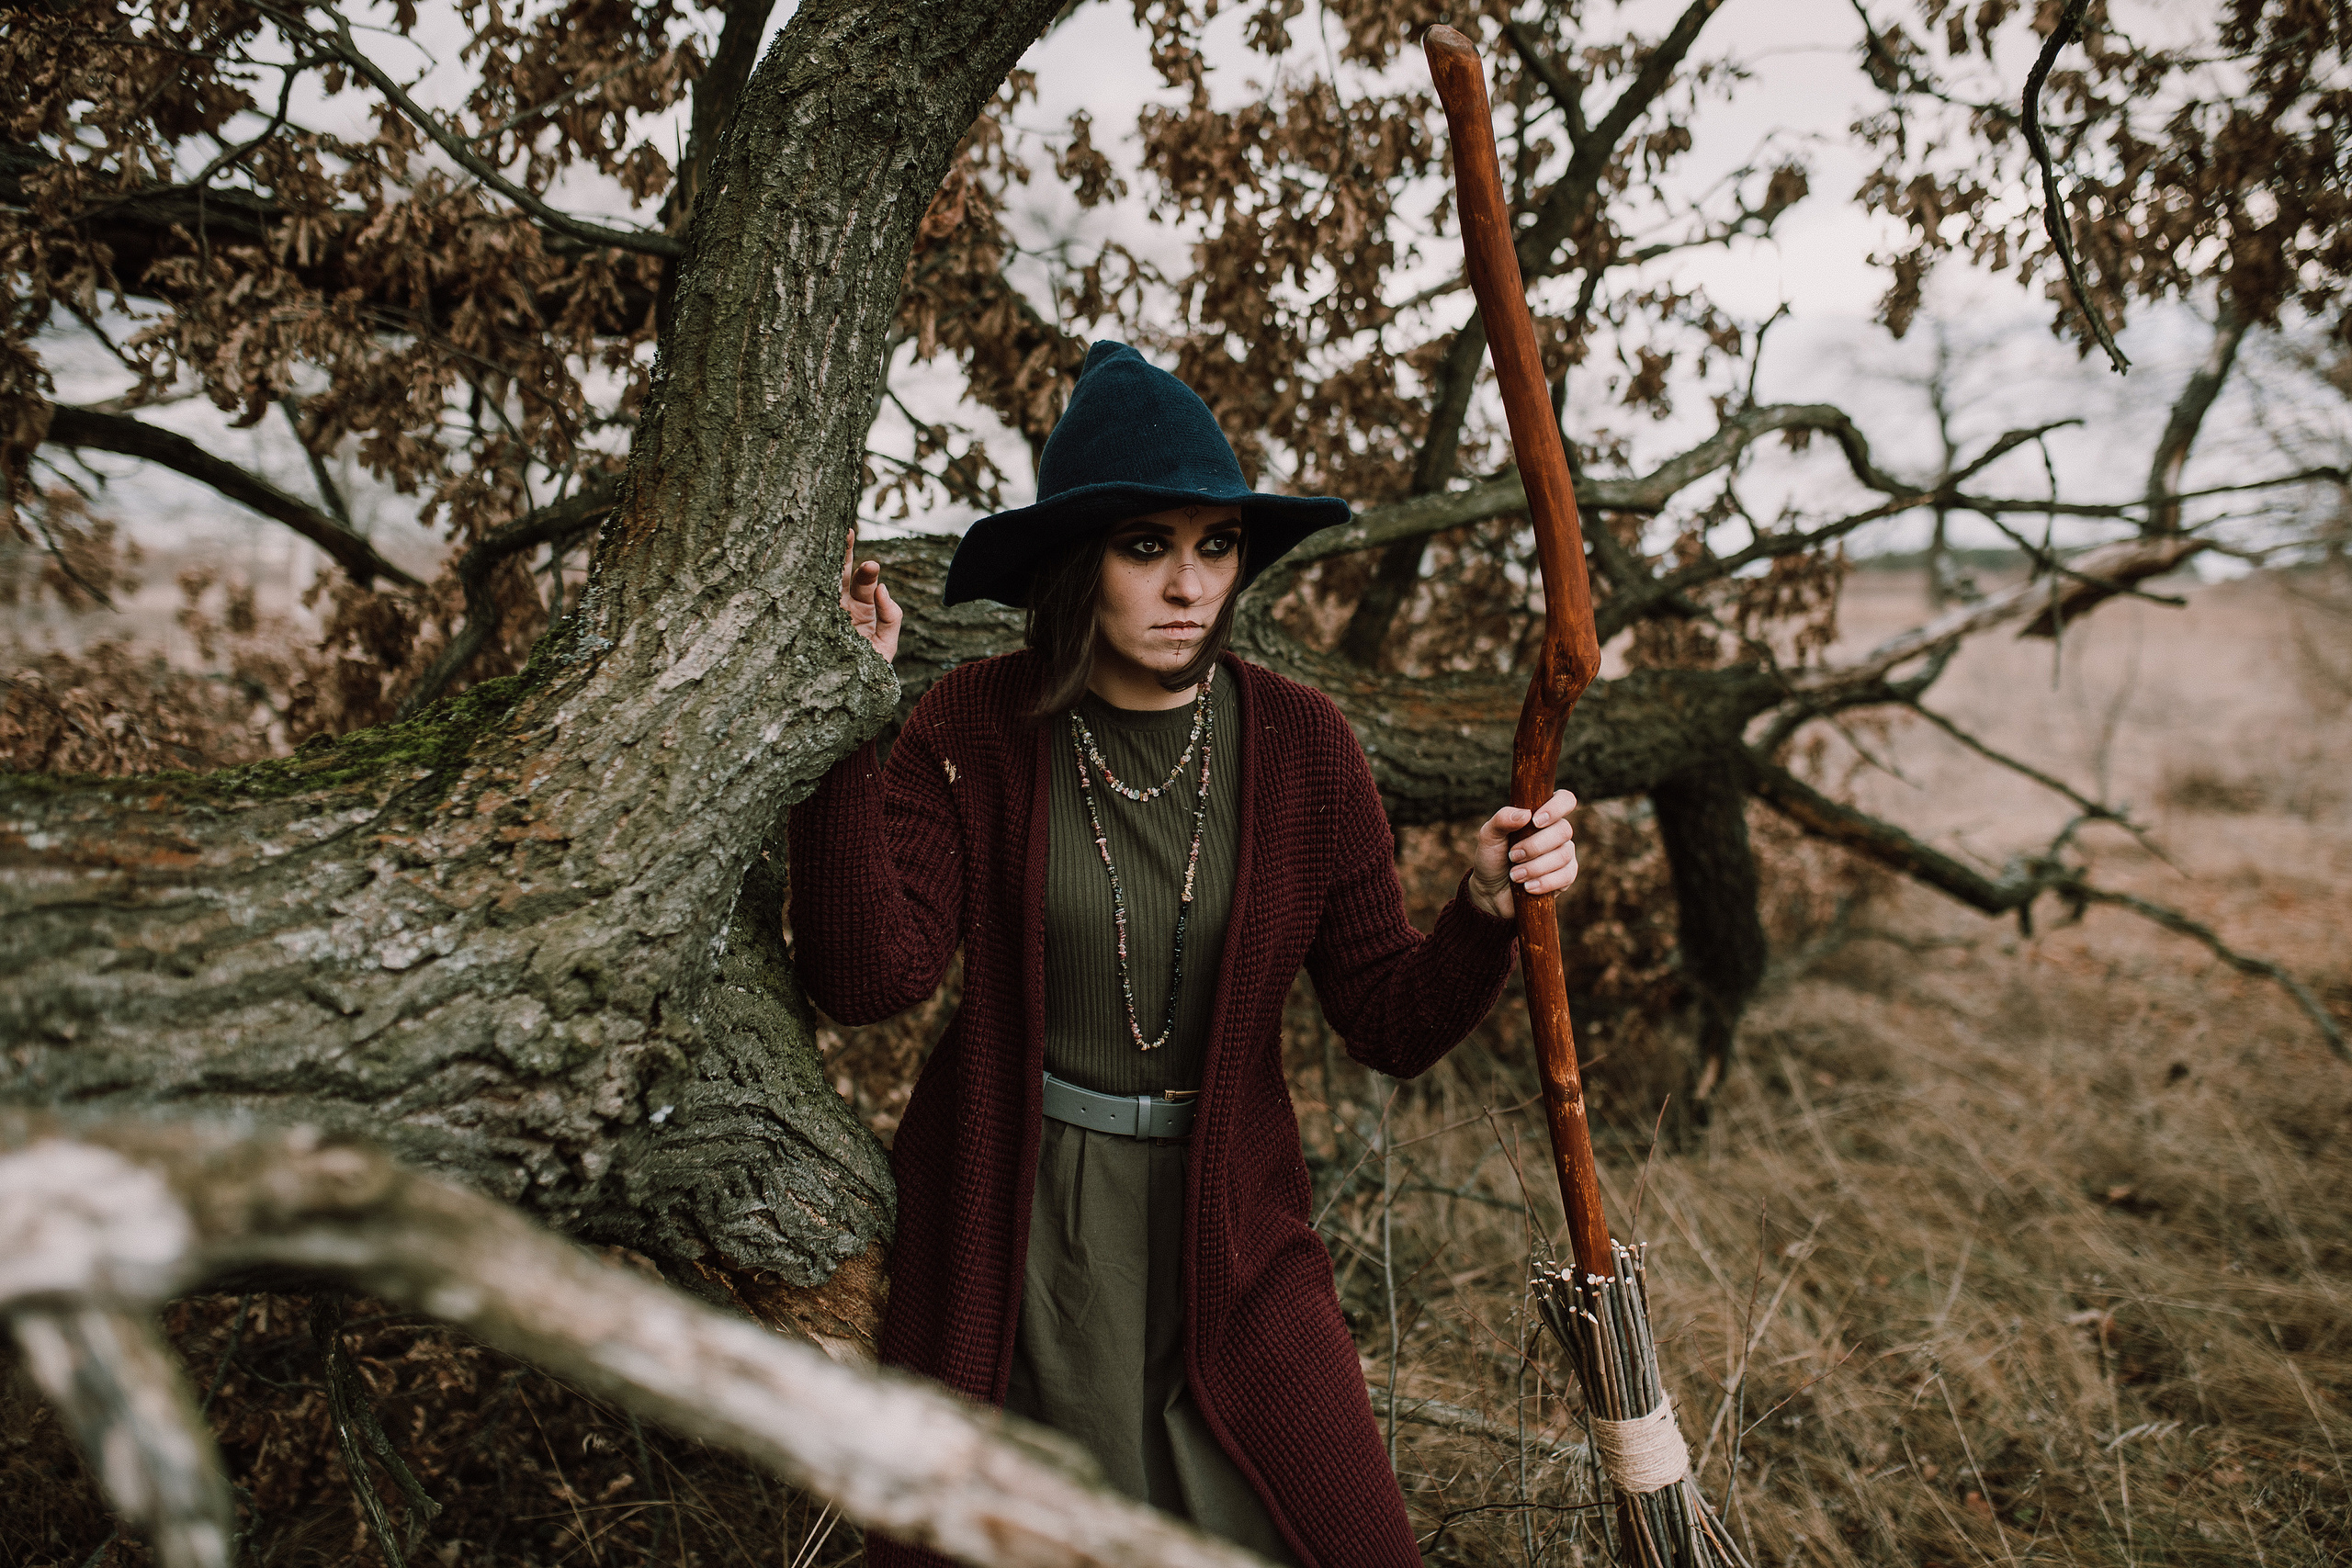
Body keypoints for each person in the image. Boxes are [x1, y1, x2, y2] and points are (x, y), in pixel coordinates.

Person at [787, 342, 1577, 1568]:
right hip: (1018, 1227)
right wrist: (846, 721)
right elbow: (865, 978)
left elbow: (1390, 1021)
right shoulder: (976, 723)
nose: (1188, 585)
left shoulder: (1304, 745)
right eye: (1146, 546)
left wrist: (1482, 909)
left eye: (1217, 545)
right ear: (1077, 561)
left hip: (1232, 1228)